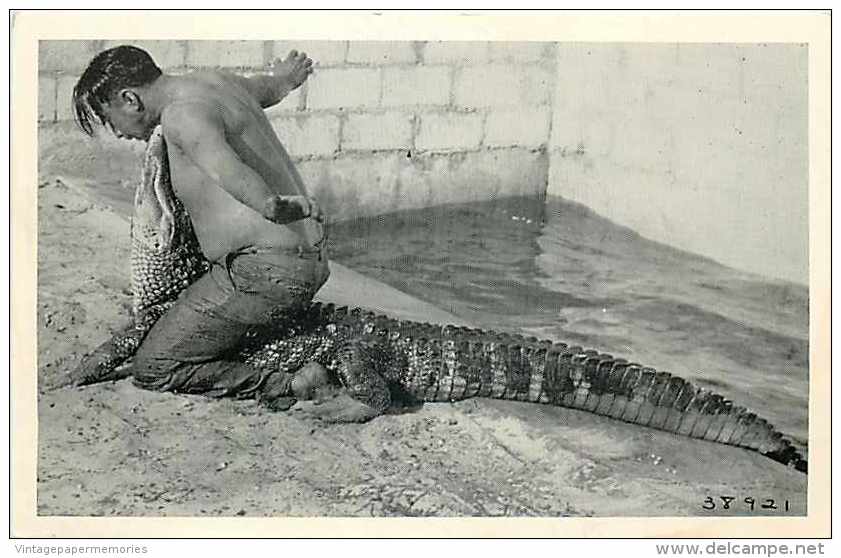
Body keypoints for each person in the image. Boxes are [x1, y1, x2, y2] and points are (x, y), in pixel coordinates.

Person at [72, 45, 331, 409]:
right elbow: (267, 88)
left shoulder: (181, 116)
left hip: (264, 270)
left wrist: (267, 204)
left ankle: (290, 385)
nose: (116, 132)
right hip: (307, 261)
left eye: (108, 118)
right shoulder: (214, 81)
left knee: (155, 366)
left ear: (129, 99)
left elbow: (226, 169)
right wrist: (287, 78)